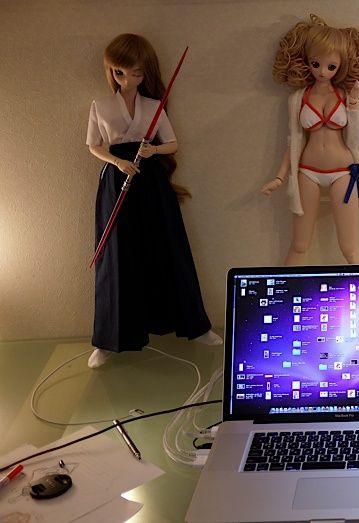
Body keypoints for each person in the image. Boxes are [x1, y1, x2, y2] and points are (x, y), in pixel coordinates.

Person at [86, 34, 219, 369]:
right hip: (117, 180)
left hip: (152, 181)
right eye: (120, 72)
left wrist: (153, 150)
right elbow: (94, 145)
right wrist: (118, 162)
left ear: (145, 73)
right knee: (116, 255)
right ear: (111, 71)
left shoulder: (152, 106)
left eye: (136, 73)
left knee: (169, 246)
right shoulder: (101, 106)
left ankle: (196, 326)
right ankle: (108, 340)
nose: (128, 80)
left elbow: (172, 143)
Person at [261, 14, 359, 264]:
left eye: (331, 66)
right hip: (308, 171)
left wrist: (354, 104)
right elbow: (294, 141)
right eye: (316, 64)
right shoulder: (298, 98)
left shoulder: (345, 95)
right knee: (299, 245)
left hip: (343, 172)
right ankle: (286, 287)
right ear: (307, 61)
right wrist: (279, 177)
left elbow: (355, 140)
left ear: (341, 66)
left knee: (350, 247)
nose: (322, 72)